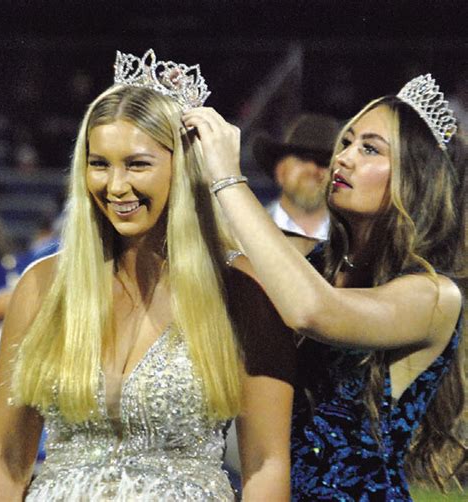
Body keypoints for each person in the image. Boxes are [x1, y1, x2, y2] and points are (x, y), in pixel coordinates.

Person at [0, 49, 296, 501]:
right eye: (99, 164)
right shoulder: (44, 286)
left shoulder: (241, 290)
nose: (115, 186)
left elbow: (264, 465)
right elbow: (7, 459)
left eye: (137, 164)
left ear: (183, 167)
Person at [183, 73, 466, 500]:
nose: (344, 158)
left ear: (417, 177)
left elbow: (313, 311)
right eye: (347, 142)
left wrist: (228, 175)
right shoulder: (312, 262)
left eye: (370, 148)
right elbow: (217, 241)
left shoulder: (434, 295)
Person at [253, 113, 339, 240]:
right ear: (280, 170)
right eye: (303, 158)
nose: (312, 170)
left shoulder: (356, 240)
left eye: (324, 162)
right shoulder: (244, 231)